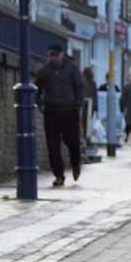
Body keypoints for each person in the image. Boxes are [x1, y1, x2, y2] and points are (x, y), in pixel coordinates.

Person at [34, 42, 85, 187]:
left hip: (69, 111)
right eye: (51, 55)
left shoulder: (72, 68)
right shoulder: (43, 72)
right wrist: (41, 105)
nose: (53, 58)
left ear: (62, 55)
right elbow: (36, 90)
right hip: (51, 112)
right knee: (53, 146)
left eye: (56, 55)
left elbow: (79, 87)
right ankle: (59, 176)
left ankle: (76, 164)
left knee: (73, 142)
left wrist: (77, 105)